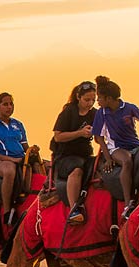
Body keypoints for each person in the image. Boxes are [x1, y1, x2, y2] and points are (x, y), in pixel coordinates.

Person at [90, 75, 139, 220]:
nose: (97, 102)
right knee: (127, 161)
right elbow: (99, 138)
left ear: (108, 98)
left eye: (99, 98)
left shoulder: (129, 108)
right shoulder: (102, 113)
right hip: (116, 148)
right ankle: (128, 202)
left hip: (135, 145)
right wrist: (107, 158)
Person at [52, 81, 99, 225]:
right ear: (78, 97)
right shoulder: (68, 112)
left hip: (86, 153)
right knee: (77, 169)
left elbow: (98, 137)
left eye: (93, 100)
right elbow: (58, 136)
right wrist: (79, 133)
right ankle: (74, 208)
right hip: (66, 155)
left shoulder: (95, 114)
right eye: (87, 100)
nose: (90, 103)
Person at [0, 93, 29, 226]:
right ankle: (7, 211)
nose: (9, 107)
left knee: (45, 166)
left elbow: (24, 145)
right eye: (5, 104)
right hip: (1, 161)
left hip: (20, 158)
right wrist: (8, 159)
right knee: (9, 171)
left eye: (11, 104)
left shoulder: (18, 124)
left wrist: (32, 151)